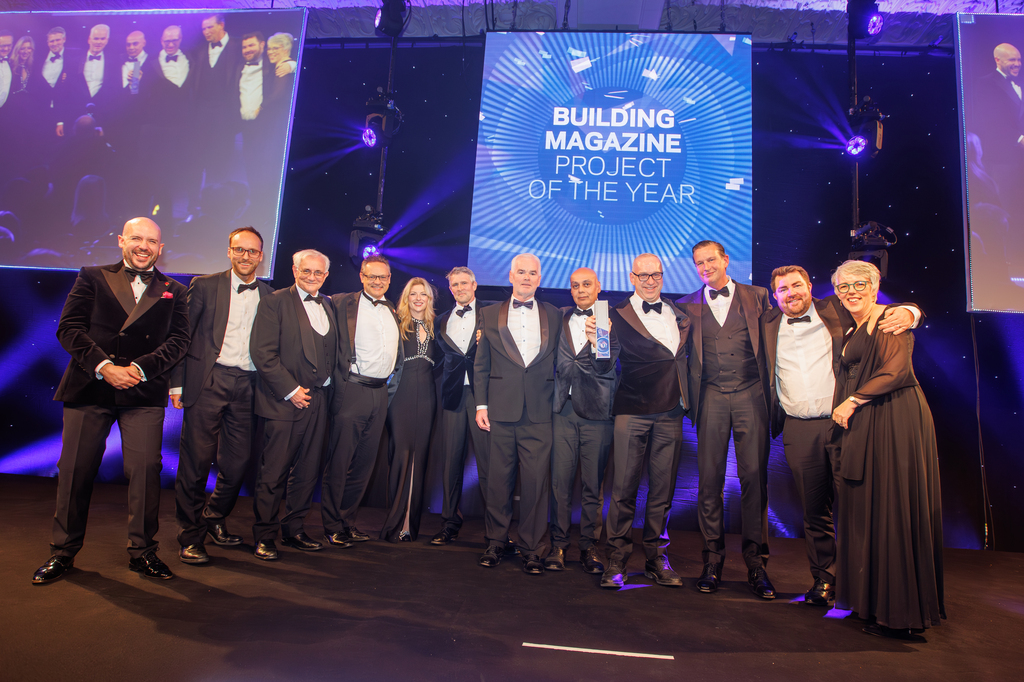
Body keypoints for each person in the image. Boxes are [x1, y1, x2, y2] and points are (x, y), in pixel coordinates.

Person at [31, 217, 190, 585]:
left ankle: (143, 552)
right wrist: (105, 367)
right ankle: (63, 552)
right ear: (121, 240)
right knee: (75, 471)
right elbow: (69, 328)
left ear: (161, 248)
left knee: (146, 471)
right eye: (136, 238)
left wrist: (138, 369)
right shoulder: (92, 276)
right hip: (91, 385)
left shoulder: (176, 290)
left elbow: (180, 341)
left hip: (142, 390)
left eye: (151, 241)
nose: (143, 246)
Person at [760, 265, 919, 606]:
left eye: (797, 285)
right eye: (783, 289)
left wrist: (911, 312)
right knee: (814, 510)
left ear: (810, 286)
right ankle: (824, 579)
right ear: (774, 295)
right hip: (798, 428)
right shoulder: (766, 323)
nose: (791, 293)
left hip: (846, 423)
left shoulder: (837, 307)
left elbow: (878, 307)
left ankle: (862, 583)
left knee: (858, 506)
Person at [829, 260, 944, 637]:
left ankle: (900, 616)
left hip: (894, 418)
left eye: (859, 284)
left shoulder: (890, 318)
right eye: (844, 287)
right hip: (871, 420)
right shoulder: (854, 323)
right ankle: (873, 605)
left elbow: (897, 372)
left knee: (892, 509)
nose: (851, 292)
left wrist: (852, 401)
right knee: (871, 510)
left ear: (875, 286)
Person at [677, 240, 775, 599]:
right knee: (709, 481)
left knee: (754, 480)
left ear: (726, 260)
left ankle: (756, 564)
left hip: (751, 395)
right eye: (699, 263)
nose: (705, 267)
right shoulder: (685, 305)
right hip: (710, 397)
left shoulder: (758, 296)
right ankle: (712, 561)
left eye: (711, 260)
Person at [170, 227, 273, 565]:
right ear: (229, 252)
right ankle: (190, 535)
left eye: (252, 251)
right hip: (208, 380)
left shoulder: (270, 295)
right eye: (239, 249)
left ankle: (214, 517)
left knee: (238, 462)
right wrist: (176, 383)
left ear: (261, 256)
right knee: (196, 462)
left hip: (249, 385)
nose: (246, 256)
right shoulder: (204, 285)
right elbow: (182, 336)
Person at [601, 254, 689, 589]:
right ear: (631, 277)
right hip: (632, 410)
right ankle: (616, 559)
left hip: (671, 411)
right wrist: (598, 344)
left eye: (656, 275)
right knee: (623, 488)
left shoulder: (679, 313)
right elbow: (602, 364)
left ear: (663, 277)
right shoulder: (611, 314)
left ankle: (656, 557)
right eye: (643, 275)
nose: (650, 281)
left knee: (663, 490)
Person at [474, 253, 562, 575]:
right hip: (499, 410)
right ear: (510, 276)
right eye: (521, 272)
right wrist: (481, 405)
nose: (526, 277)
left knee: (536, 485)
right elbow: (481, 364)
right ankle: (495, 541)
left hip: (540, 411)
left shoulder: (555, 315)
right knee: (498, 481)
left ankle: (532, 548)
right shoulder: (488, 313)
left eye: (532, 272)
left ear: (540, 278)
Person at [249, 249, 337, 561]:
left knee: (307, 471)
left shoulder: (329, 304)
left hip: (319, 401)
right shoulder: (274, 301)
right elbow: (262, 353)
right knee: (273, 473)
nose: (312, 276)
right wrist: (290, 390)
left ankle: (294, 529)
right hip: (285, 402)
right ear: (294, 270)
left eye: (318, 272)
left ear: (326, 275)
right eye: (306, 271)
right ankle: (264, 535)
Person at [322, 254, 401, 548]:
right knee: (340, 461)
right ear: (362, 277)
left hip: (380, 393)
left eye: (383, 277)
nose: (377, 282)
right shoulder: (340, 303)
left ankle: (347, 521)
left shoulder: (392, 309)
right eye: (372, 276)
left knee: (364, 464)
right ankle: (332, 525)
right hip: (352, 389)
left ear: (389, 279)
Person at [546, 267, 617, 574]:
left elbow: (606, 366)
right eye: (575, 285)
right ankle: (558, 545)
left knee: (592, 485)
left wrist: (600, 338)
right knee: (559, 483)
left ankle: (589, 547)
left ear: (598, 286)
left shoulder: (610, 318)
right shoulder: (559, 316)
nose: (581, 290)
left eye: (587, 284)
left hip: (598, 413)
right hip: (562, 410)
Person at [429, 267, 493, 546]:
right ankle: (449, 524)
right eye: (454, 285)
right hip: (453, 396)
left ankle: (496, 530)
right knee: (451, 462)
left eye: (464, 283)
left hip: (485, 398)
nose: (459, 288)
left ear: (475, 285)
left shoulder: (492, 314)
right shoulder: (441, 320)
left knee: (489, 464)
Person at [380, 277, 438, 542]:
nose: (418, 298)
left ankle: (409, 526)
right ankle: (394, 523)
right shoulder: (396, 323)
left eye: (423, 294)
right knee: (401, 456)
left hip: (427, 396)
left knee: (420, 458)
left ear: (429, 299)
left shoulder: (437, 326)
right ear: (406, 297)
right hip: (401, 396)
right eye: (413, 294)